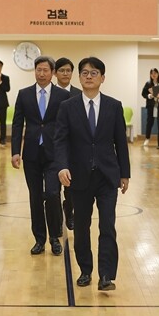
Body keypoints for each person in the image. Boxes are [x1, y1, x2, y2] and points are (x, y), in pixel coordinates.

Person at [55, 56, 131, 291]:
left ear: (102, 78)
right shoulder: (67, 107)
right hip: (78, 175)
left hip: (107, 175)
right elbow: (60, 140)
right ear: (79, 77)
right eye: (85, 73)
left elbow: (121, 141)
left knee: (107, 225)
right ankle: (85, 270)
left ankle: (106, 275)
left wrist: (124, 173)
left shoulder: (113, 105)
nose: (89, 76)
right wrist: (62, 166)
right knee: (82, 225)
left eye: (94, 73)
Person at [11, 56, 70, 256]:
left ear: (52, 72)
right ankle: (39, 239)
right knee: (35, 197)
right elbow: (18, 124)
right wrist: (15, 152)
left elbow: (67, 126)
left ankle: (55, 236)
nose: (42, 74)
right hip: (32, 154)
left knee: (53, 194)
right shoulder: (24, 94)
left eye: (45, 70)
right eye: (38, 70)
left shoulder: (63, 96)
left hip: (55, 154)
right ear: (34, 71)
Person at [54, 57, 82, 231]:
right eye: (62, 70)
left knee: (71, 186)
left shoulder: (79, 93)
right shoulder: (50, 93)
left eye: (68, 70)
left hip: (73, 147)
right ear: (55, 72)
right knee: (52, 189)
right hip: (53, 145)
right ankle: (56, 219)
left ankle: (69, 209)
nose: (65, 73)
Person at [141, 68, 159, 146]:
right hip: (151, 105)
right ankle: (147, 138)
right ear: (150, 75)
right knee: (149, 122)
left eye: (155, 73)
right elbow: (143, 93)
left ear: (157, 74)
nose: (153, 75)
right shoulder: (148, 83)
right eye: (152, 73)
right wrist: (149, 95)